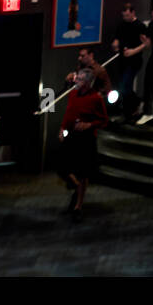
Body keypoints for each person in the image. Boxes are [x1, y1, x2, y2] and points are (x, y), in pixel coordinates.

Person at [59, 66, 108, 219]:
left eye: (79, 80)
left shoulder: (96, 98)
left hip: (86, 138)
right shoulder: (73, 94)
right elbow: (69, 113)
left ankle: (78, 206)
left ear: (87, 83)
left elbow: (104, 120)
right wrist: (62, 128)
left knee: (83, 172)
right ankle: (76, 188)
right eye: (77, 78)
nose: (77, 82)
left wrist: (89, 125)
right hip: (72, 135)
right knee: (62, 166)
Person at [110, 3, 148, 120]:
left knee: (126, 85)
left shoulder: (140, 26)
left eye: (127, 15)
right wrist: (115, 44)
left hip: (134, 60)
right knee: (124, 85)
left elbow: (146, 43)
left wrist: (133, 51)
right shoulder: (122, 25)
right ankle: (129, 110)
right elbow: (117, 38)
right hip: (122, 59)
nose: (125, 18)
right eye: (124, 16)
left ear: (133, 12)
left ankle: (136, 104)